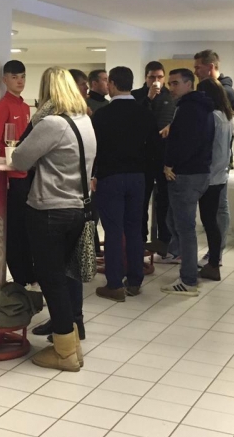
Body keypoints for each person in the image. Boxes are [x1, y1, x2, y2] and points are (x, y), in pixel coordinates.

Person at [11, 67, 95, 371]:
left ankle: (64, 352)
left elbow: (19, 159)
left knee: (52, 280)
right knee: (62, 277)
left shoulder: (52, 124)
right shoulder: (84, 121)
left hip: (49, 209)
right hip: (77, 208)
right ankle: (72, 344)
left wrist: (37, 121)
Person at [91, 67, 157, 300]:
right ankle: (135, 280)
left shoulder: (102, 115)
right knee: (134, 229)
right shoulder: (145, 114)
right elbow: (154, 148)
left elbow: (95, 149)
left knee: (113, 231)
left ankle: (114, 284)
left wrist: (94, 175)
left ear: (112, 84)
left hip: (110, 178)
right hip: (138, 178)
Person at [160, 68, 215, 297]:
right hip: (198, 173)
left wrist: (170, 164)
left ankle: (188, 280)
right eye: (170, 83)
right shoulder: (200, 106)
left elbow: (186, 143)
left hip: (186, 174)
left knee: (185, 228)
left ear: (188, 84)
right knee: (174, 222)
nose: (171, 87)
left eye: (175, 83)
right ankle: (187, 266)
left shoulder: (190, 108)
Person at [0, 60, 33, 285]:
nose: (20, 81)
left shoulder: (25, 106)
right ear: (5, 80)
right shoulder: (3, 106)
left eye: (22, 76)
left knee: (26, 228)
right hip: (13, 178)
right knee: (15, 230)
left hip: (28, 175)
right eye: (14, 77)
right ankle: (22, 277)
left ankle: (29, 275)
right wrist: (3, 177)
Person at [133, 62, 176, 253]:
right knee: (140, 201)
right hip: (142, 157)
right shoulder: (136, 96)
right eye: (152, 77)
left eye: (159, 77)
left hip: (165, 156)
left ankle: (164, 241)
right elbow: (134, 120)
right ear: (145, 78)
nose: (156, 81)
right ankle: (140, 240)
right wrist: (149, 97)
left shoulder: (172, 96)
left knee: (165, 201)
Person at [198, 78, 234, 282]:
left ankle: (212, 263)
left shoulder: (211, 117)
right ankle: (215, 260)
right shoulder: (227, 116)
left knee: (209, 221)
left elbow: (206, 146)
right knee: (212, 220)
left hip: (209, 175)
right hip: (220, 175)